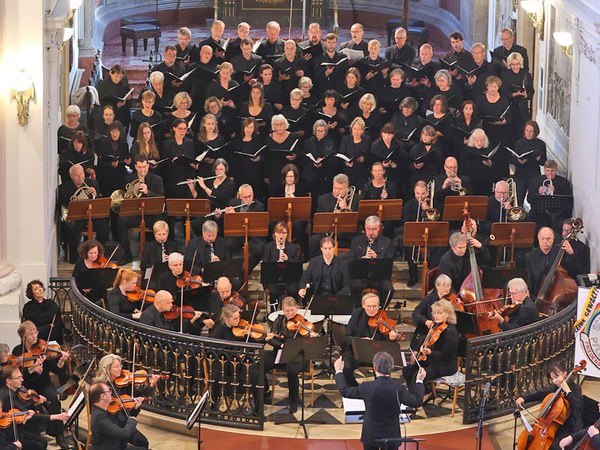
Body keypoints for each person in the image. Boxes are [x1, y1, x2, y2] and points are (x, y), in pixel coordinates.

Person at [334, 351, 425, 450]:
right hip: (391, 437)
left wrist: (339, 371)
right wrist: (419, 381)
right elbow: (417, 401)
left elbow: (345, 391)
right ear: (391, 368)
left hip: (371, 436)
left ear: (375, 368)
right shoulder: (399, 388)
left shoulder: (367, 387)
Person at [10, 323, 72, 449]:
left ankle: (58, 435)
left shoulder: (42, 348)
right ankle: (34, 436)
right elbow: (19, 375)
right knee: (29, 403)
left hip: (43, 383)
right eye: (31, 333)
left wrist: (60, 361)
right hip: (26, 385)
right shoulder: (18, 350)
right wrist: (33, 368)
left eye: (36, 332)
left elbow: (55, 369)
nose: (35, 336)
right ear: (23, 336)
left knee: (54, 400)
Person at [93, 354, 158, 449]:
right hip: (111, 427)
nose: (120, 369)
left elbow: (140, 398)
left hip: (124, 423)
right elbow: (101, 415)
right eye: (116, 367)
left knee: (143, 442)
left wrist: (151, 386)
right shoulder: (101, 389)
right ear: (107, 368)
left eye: (120, 366)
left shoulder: (125, 384)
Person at [515, 362, 583, 450]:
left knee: (551, 447)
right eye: (552, 379)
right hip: (555, 427)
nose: (554, 381)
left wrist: (568, 391)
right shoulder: (556, 388)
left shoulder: (575, 388)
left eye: (556, 377)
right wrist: (525, 399)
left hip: (570, 428)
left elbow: (578, 405)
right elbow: (543, 394)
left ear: (565, 374)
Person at [340, 293, 403, 387]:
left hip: (376, 354)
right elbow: (345, 338)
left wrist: (391, 338)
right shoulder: (356, 314)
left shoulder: (382, 317)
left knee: (382, 368)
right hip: (357, 352)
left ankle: (378, 390)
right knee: (346, 367)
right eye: (369, 306)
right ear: (363, 305)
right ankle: (354, 389)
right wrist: (360, 341)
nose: (372, 309)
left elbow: (386, 344)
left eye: (375, 306)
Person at [269, 297, 319, 413]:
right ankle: (263, 394)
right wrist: (281, 346)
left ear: (296, 308)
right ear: (283, 310)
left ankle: (293, 400)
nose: (290, 313)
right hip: (281, 353)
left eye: (292, 310)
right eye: (287, 311)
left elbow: (308, 343)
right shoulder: (279, 320)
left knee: (291, 369)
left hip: (298, 355)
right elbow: (271, 339)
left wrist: (311, 337)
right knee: (262, 364)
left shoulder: (303, 321)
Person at [1, 365, 67, 450]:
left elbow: (24, 409)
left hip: (19, 429)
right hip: (11, 436)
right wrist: (55, 417)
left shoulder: (15, 391)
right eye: (18, 378)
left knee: (43, 442)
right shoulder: (7, 396)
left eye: (21, 376)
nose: (22, 379)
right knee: (38, 446)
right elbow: (25, 412)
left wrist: (35, 403)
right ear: (9, 381)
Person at [116, 154, 165, 265]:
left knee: (161, 224)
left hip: (151, 215)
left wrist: (148, 192)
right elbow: (125, 197)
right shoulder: (129, 179)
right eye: (140, 167)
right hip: (136, 214)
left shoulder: (157, 179)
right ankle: (127, 253)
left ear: (148, 166)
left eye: (144, 167)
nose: (142, 170)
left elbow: (161, 198)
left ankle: (157, 255)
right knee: (121, 221)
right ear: (135, 167)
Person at [402, 299, 459, 389]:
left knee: (418, 374)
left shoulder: (450, 332)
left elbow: (444, 355)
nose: (436, 316)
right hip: (433, 361)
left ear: (448, 314)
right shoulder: (436, 325)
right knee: (407, 370)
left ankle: (415, 398)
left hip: (445, 365)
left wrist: (430, 352)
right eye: (434, 313)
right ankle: (425, 393)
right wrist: (416, 351)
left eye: (439, 313)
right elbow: (423, 338)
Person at [58, 163, 108, 262]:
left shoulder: (93, 183)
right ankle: (74, 255)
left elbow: (99, 203)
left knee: (105, 229)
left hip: (91, 215)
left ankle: (96, 252)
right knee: (72, 230)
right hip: (76, 217)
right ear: (71, 176)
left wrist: (96, 195)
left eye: (82, 174)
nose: (80, 177)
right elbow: (61, 205)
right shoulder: (64, 187)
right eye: (77, 175)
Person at [308, 173, 360, 257]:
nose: (336, 191)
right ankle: (316, 264)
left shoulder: (357, 199)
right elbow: (318, 220)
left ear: (347, 189)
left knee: (358, 240)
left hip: (347, 235)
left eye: (340, 189)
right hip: (327, 233)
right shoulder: (323, 199)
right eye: (335, 188)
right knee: (314, 240)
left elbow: (358, 221)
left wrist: (345, 209)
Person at [349, 216, 394, 304]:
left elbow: (389, 261)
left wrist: (377, 257)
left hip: (379, 277)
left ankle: (379, 309)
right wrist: (361, 260)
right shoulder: (356, 241)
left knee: (389, 289)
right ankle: (360, 309)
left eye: (373, 229)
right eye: (368, 229)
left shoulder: (386, 242)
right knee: (353, 286)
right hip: (361, 276)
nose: (370, 232)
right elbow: (350, 260)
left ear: (378, 228)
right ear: (365, 228)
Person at [88, 381, 145, 450]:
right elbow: (124, 434)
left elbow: (120, 425)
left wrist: (134, 409)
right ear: (103, 396)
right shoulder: (99, 417)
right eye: (109, 390)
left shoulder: (103, 410)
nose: (111, 393)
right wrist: (132, 421)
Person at [223, 184, 266, 274]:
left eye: (250, 196)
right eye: (245, 197)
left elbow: (254, 225)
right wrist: (222, 215)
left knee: (259, 249)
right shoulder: (233, 202)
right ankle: (228, 272)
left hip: (252, 236)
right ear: (240, 197)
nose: (248, 199)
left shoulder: (259, 206)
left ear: (253, 195)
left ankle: (244, 273)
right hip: (237, 235)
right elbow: (227, 222)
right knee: (227, 245)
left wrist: (235, 216)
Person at [525, 227, 581, 295]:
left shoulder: (561, 252)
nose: (545, 241)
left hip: (556, 293)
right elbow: (528, 279)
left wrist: (571, 253)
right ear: (538, 239)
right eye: (542, 239)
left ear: (553, 239)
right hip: (536, 295)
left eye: (548, 239)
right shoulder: (530, 256)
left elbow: (575, 270)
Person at [189, 159, 236, 236]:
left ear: (225, 170)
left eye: (221, 169)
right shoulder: (210, 181)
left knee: (197, 224)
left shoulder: (229, 184)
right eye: (217, 169)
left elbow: (217, 197)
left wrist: (204, 186)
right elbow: (200, 199)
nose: (219, 172)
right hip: (208, 211)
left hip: (221, 212)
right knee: (193, 224)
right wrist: (192, 188)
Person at [262, 222, 300, 311]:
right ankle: (273, 313)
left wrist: (288, 259)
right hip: (274, 277)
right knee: (274, 291)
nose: (281, 235)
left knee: (293, 290)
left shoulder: (292, 247)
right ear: (274, 234)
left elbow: (297, 266)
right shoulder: (269, 247)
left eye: (284, 233)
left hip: (288, 277)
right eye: (279, 233)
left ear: (287, 234)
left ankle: (292, 312)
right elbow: (265, 266)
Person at [410, 274, 456, 347]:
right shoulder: (428, 299)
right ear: (436, 286)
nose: (447, 288)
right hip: (428, 331)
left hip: (445, 333)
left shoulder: (452, 299)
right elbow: (415, 314)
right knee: (419, 339)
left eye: (448, 285)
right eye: (444, 286)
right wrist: (426, 321)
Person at [526, 160, 573, 230]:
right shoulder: (535, 181)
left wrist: (555, 192)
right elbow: (529, 199)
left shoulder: (564, 182)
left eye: (552, 171)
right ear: (544, 170)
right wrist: (539, 193)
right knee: (531, 221)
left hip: (557, 213)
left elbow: (567, 203)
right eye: (547, 171)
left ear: (556, 170)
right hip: (539, 212)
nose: (549, 174)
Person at [500, 52, 534, 145]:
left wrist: (526, 95)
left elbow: (531, 92)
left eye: (517, 64)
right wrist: (515, 94)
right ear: (509, 65)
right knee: (509, 136)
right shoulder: (505, 75)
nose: (515, 67)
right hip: (510, 109)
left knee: (520, 136)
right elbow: (503, 92)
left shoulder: (526, 75)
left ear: (521, 64)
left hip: (522, 110)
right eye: (513, 64)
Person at [511, 120, 547, 205]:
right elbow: (513, 160)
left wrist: (539, 159)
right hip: (521, 175)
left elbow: (544, 162)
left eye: (531, 131)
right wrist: (519, 161)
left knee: (534, 199)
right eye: (526, 131)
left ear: (535, 132)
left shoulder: (540, 144)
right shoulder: (519, 142)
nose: (528, 133)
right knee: (519, 199)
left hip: (534, 174)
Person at [301, 119, 338, 200]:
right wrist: (313, 164)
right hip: (311, 174)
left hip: (325, 174)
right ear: (315, 131)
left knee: (324, 197)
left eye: (322, 131)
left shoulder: (330, 142)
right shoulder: (308, 142)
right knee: (312, 197)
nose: (320, 133)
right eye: (318, 131)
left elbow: (334, 159)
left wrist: (323, 162)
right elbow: (304, 159)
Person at [402, 181, 430, 286]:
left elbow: (437, 221)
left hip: (430, 235)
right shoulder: (409, 205)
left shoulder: (432, 203)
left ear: (427, 192)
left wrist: (427, 209)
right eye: (418, 193)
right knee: (409, 247)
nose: (420, 196)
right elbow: (406, 223)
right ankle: (413, 275)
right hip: (414, 235)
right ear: (414, 191)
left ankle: (432, 276)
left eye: (423, 194)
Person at [264, 115, 300, 196]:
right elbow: (265, 158)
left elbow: (297, 153)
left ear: (285, 125)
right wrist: (266, 175)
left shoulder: (292, 137)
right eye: (276, 124)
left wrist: (294, 156)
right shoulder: (268, 138)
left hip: (288, 171)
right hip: (273, 171)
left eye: (281, 124)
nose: (279, 126)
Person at [161, 118, 196, 200]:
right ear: (174, 128)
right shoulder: (167, 144)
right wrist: (172, 161)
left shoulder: (190, 143)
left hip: (187, 177)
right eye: (180, 129)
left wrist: (193, 165)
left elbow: (192, 159)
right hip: (172, 179)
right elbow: (163, 162)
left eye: (185, 129)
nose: (182, 131)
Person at [96, 121, 130, 199]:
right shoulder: (103, 143)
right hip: (106, 176)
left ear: (120, 132)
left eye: (117, 132)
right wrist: (110, 164)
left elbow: (126, 156)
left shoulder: (124, 144)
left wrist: (127, 161)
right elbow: (100, 161)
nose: (115, 134)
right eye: (113, 131)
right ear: (109, 132)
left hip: (119, 176)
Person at [460, 128, 497, 195]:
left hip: (485, 182)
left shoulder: (488, 149)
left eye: (481, 140)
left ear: (484, 140)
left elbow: (495, 168)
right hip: (470, 182)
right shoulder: (466, 149)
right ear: (473, 140)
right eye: (477, 140)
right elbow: (462, 166)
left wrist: (490, 164)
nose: (479, 143)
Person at [72, 240, 108, 306]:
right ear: (86, 253)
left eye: (95, 252)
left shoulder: (102, 263)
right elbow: (75, 279)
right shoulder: (80, 265)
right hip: (85, 294)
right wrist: (82, 288)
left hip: (99, 293)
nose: (93, 255)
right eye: (90, 253)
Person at [338, 117, 371, 189]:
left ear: (362, 130)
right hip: (348, 171)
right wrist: (346, 162)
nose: (356, 132)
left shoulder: (367, 139)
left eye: (359, 129)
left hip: (362, 171)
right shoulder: (345, 139)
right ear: (351, 128)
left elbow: (370, 156)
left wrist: (364, 159)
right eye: (354, 129)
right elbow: (341, 154)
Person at [98, 64, 132, 132]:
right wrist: (116, 106)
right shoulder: (104, 85)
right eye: (116, 76)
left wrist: (130, 96)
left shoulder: (124, 79)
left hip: (125, 111)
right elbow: (103, 102)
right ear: (110, 73)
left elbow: (127, 90)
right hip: (113, 114)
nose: (118, 79)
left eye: (120, 76)